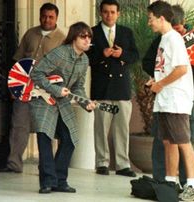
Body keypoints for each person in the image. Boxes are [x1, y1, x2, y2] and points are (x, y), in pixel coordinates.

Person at [142, 3, 194, 188]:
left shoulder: (176, 39)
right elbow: (156, 64)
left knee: (183, 141)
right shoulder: (163, 39)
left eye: (150, 18)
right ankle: (168, 181)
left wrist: (164, 83)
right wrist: (156, 81)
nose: (148, 23)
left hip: (179, 99)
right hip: (165, 99)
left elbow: (184, 69)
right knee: (167, 142)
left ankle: (190, 185)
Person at [0, 3, 65, 173]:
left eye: (51, 17)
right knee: (19, 125)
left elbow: (64, 69)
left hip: (46, 92)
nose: (47, 20)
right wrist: (14, 87)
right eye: (44, 16)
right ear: (39, 16)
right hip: (24, 89)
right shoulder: (30, 34)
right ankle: (14, 164)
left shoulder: (62, 39)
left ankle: (46, 167)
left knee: (46, 130)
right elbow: (17, 61)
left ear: (56, 18)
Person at [30, 21, 96, 194]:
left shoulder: (84, 60)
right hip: (43, 100)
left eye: (89, 36)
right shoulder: (60, 53)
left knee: (69, 139)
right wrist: (56, 89)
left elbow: (78, 87)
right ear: (74, 37)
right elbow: (36, 73)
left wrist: (85, 103)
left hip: (62, 102)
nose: (87, 40)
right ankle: (47, 182)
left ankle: (60, 180)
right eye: (83, 36)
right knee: (45, 139)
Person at [86, 0, 139, 177]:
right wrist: (102, 54)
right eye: (106, 12)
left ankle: (123, 165)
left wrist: (121, 54)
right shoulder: (92, 33)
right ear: (100, 13)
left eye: (113, 12)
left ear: (119, 13)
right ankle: (102, 163)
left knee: (122, 128)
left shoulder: (126, 32)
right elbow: (85, 58)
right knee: (101, 126)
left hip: (121, 89)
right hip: (102, 89)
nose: (109, 15)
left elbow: (135, 55)